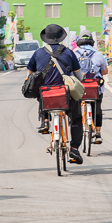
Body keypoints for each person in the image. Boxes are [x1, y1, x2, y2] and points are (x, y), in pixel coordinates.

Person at [26, 24, 85, 164]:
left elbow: (30, 74)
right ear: (60, 38)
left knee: (42, 92)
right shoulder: (69, 52)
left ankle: (45, 121)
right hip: (65, 94)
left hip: (46, 95)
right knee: (76, 119)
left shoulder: (38, 53)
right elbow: (79, 76)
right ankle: (75, 149)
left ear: (46, 38)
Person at [75, 32, 109, 144]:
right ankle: (98, 133)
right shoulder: (98, 54)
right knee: (97, 109)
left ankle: (78, 130)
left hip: (79, 87)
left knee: (76, 109)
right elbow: (105, 71)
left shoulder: (74, 54)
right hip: (94, 87)